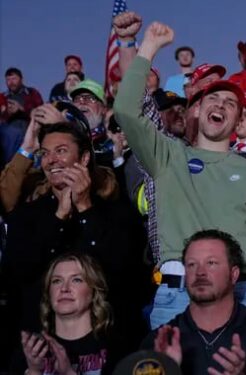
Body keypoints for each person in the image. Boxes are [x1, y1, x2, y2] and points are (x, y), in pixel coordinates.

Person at [112, 19, 246, 330]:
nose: (220, 104)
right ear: (197, 108)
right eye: (212, 98)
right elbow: (126, 109)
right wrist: (148, 47)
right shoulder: (167, 154)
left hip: (242, 295)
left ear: (238, 121)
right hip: (176, 296)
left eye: (230, 103)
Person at [1, 121, 150, 356]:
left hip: (109, 348)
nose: (51, 161)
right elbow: (18, 274)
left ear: (84, 159)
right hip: (41, 351)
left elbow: (124, 274)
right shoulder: (25, 216)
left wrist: (85, 209)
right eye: (45, 153)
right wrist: (59, 218)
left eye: (61, 151)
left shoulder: (117, 214)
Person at [141, 230, 246, 374]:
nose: (200, 272)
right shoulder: (160, 342)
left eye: (211, 263)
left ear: (234, 274)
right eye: (192, 264)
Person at [14, 253, 124, 374]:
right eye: (57, 281)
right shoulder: (31, 352)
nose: (64, 288)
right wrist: (34, 370)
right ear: (48, 292)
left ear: (94, 291)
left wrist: (68, 372)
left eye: (76, 280)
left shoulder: (117, 349)